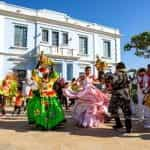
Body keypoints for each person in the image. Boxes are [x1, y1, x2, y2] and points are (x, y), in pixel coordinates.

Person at [108, 62, 132, 133]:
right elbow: (129, 84)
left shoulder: (116, 74)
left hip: (117, 94)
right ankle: (128, 128)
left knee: (113, 109)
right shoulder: (127, 74)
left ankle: (118, 124)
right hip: (126, 93)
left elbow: (112, 83)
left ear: (117, 68)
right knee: (127, 111)